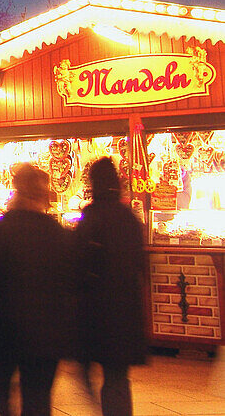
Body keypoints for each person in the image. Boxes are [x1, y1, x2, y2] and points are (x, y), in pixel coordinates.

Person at [0, 163, 75, 416]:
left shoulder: (0, 229)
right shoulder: (56, 233)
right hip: (46, 332)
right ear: (44, 195)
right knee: (38, 397)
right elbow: (67, 283)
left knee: (1, 390)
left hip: (6, 328)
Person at [74, 157, 148, 416]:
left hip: (99, 311)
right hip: (126, 310)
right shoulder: (129, 217)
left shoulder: (92, 217)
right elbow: (141, 262)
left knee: (100, 374)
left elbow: (78, 262)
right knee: (118, 376)